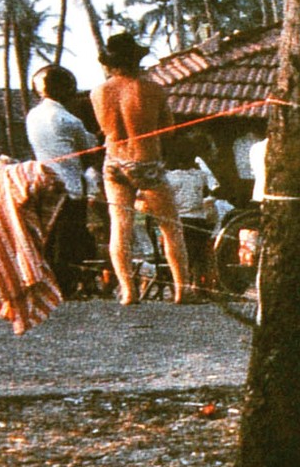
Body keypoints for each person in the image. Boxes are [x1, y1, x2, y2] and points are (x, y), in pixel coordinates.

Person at [89, 32, 191, 304]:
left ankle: (128, 291)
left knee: (120, 227)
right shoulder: (153, 89)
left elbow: (103, 128)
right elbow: (168, 129)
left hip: (114, 162)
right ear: (136, 60)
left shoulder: (98, 92)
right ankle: (182, 290)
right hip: (146, 161)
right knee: (171, 227)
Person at [23, 64, 99, 296]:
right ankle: (66, 286)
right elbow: (89, 146)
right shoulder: (69, 120)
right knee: (69, 239)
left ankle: (49, 284)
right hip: (69, 185)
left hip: (43, 181)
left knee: (48, 236)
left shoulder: (32, 116)